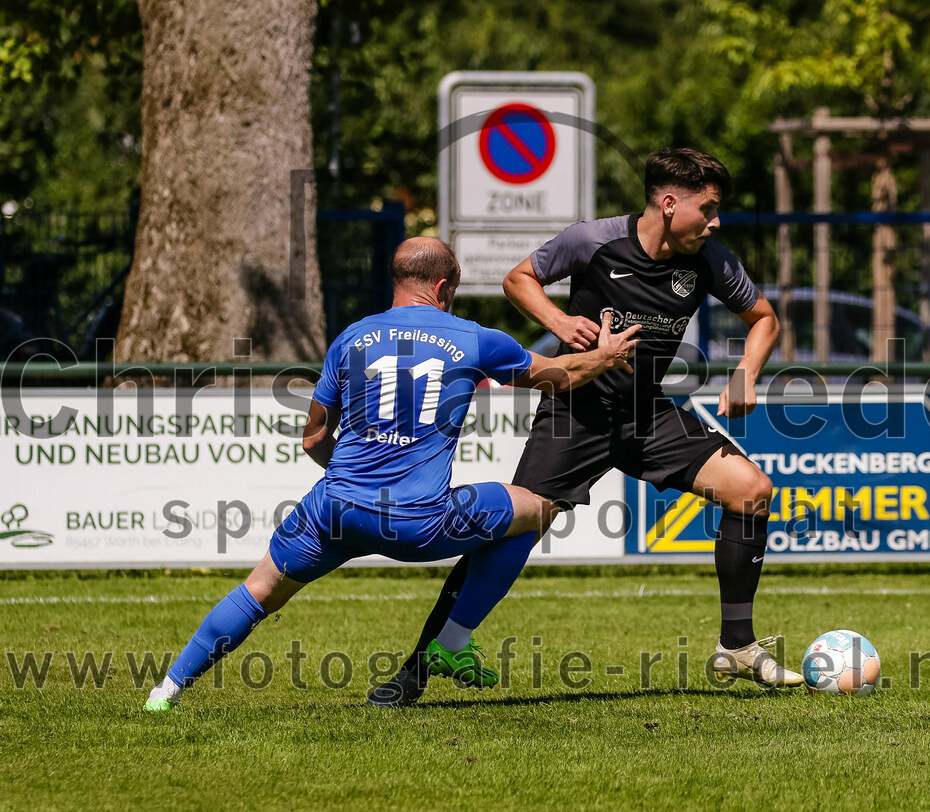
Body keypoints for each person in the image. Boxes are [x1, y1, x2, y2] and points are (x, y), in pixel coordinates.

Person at [369, 147, 803, 708]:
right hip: (575, 411)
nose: (715, 222)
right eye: (709, 209)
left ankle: (737, 646)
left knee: (751, 490)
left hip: (646, 414)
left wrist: (745, 374)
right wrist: (558, 320)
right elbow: (519, 279)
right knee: (516, 526)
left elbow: (764, 318)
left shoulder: (710, 260)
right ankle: (418, 668)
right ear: (671, 204)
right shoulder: (593, 240)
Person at [144, 237, 640, 711]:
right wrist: (606, 355)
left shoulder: (351, 337)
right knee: (538, 508)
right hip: (417, 522)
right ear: (444, 286)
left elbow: (313, 438)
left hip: (333, 511)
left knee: (257, 592)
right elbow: (561, 377)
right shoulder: (474, 338)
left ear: (397, 280)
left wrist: (353, 482)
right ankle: (453, 641)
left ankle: (165, 691)